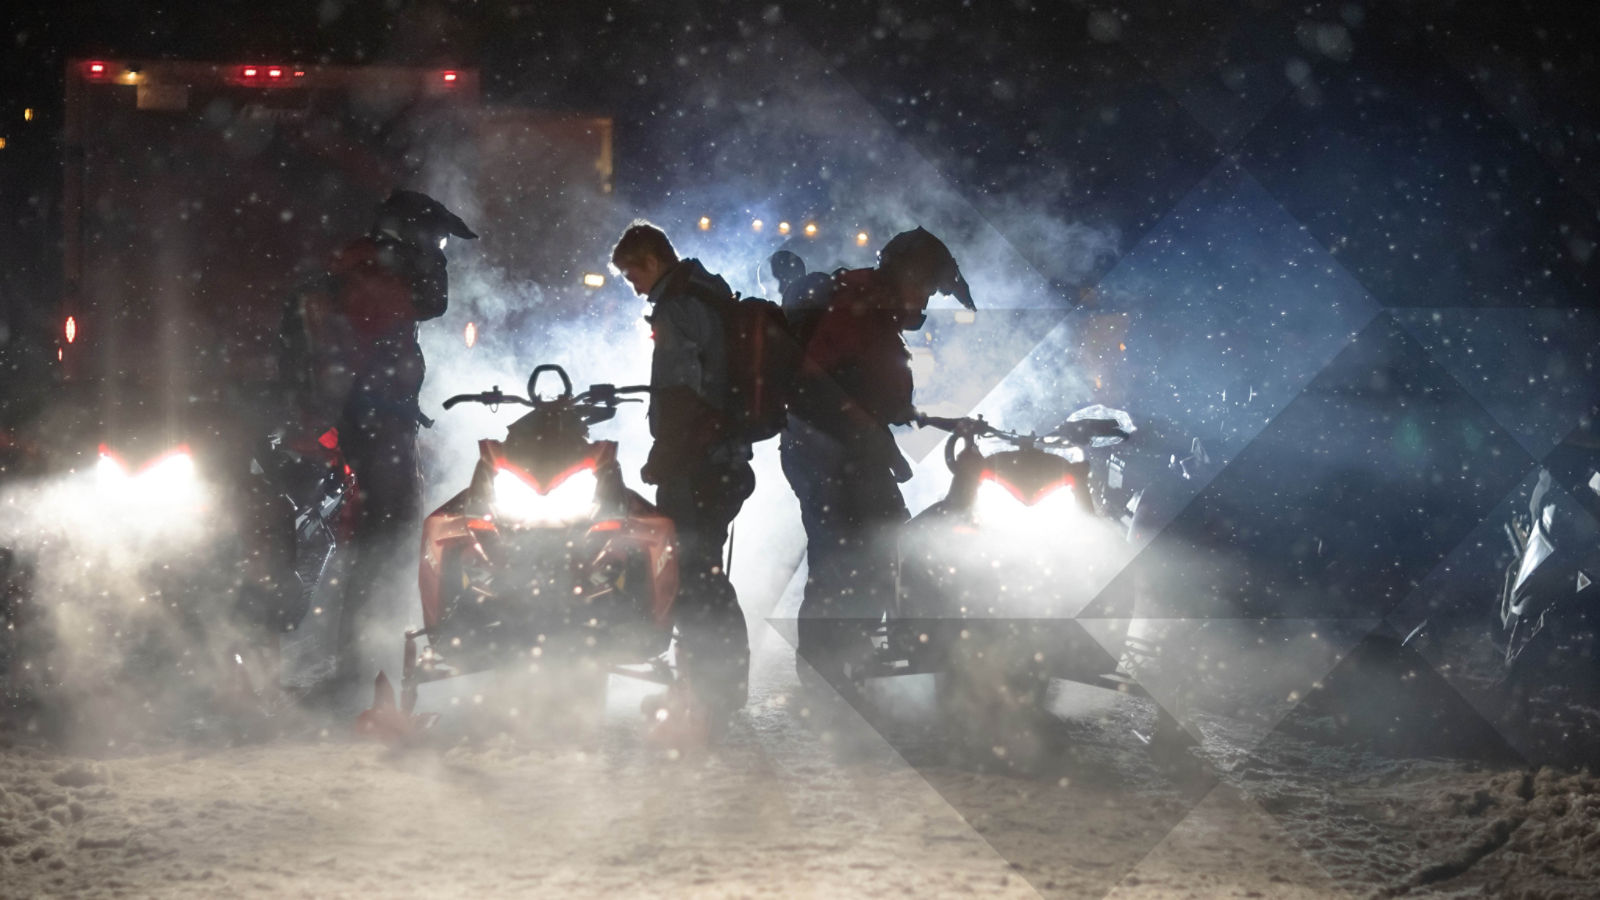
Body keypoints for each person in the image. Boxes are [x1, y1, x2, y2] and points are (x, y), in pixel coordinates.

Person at [780, 227, 975, 700]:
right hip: (821, 451)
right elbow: (812, 384)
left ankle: (858, 650)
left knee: (889, 542)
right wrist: (854, 422)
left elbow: (879, 397)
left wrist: (937, 421)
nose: (926, 300)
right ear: (904, 275)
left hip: (852, 451)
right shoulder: (853, 308)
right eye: (925, 288)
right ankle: (822, 670)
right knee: (837, 555)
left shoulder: (877, 312)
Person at [310, 189, 477, 693]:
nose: (437, 251)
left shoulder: (370, 271)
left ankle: (368, 656)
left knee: (387, 544)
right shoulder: (371, 277)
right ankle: (357, 665)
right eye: (434, 239)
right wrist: (430, 258)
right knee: (380, 546)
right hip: (374, 427)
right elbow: (429, 303)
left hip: (383, 424)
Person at [611, 222, 755, 739]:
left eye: (632, 273)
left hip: (698, 463)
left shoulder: (677, 306)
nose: (633, 285)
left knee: (693, 574)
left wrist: (666, 455)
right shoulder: (709, 293)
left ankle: (708, 692)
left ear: (650, 260)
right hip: (723, 458)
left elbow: (683, 392)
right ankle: (715, 684)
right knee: (705, 572)